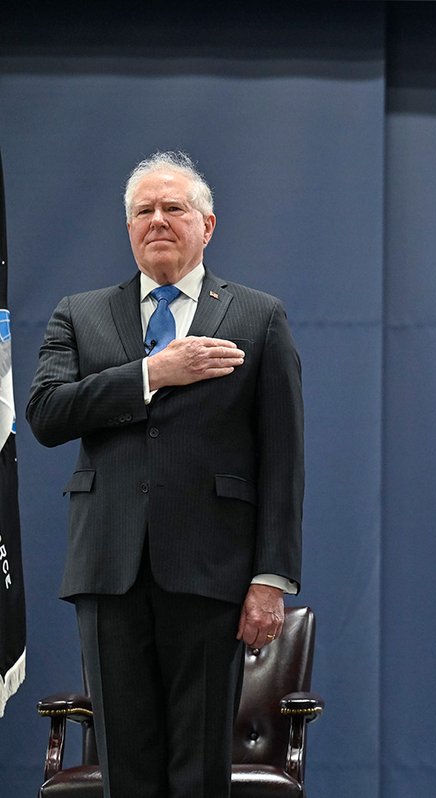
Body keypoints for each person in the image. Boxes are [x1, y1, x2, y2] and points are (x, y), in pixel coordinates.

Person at [27, 151, 304, 798]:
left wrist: (271, 576)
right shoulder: (80, 314)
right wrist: (152, 374)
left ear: (207, 225)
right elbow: (45, 414)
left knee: (198, 770)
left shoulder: (258, 317)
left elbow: (284, 458)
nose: (158, 220)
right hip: (107, 569)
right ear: (128, 229)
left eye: (173, 208)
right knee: (126, 766)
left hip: (212, 574)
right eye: (143, 211)